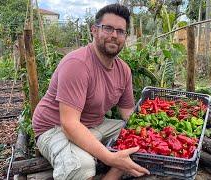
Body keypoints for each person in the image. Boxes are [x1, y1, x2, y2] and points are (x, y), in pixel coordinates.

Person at [32, 3, 150, 180]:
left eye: (120, 31)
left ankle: (112, 174)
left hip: (94, 124)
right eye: (108, 28)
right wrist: (109, 157)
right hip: (55, 128)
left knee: (139, 138)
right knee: (81, 167)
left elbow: (127, 113)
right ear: (94, 30)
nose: (114, 36)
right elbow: (70, 124)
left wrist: (152, 126)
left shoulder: (124, 70)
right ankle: (110, 164)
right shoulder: (77, 64)